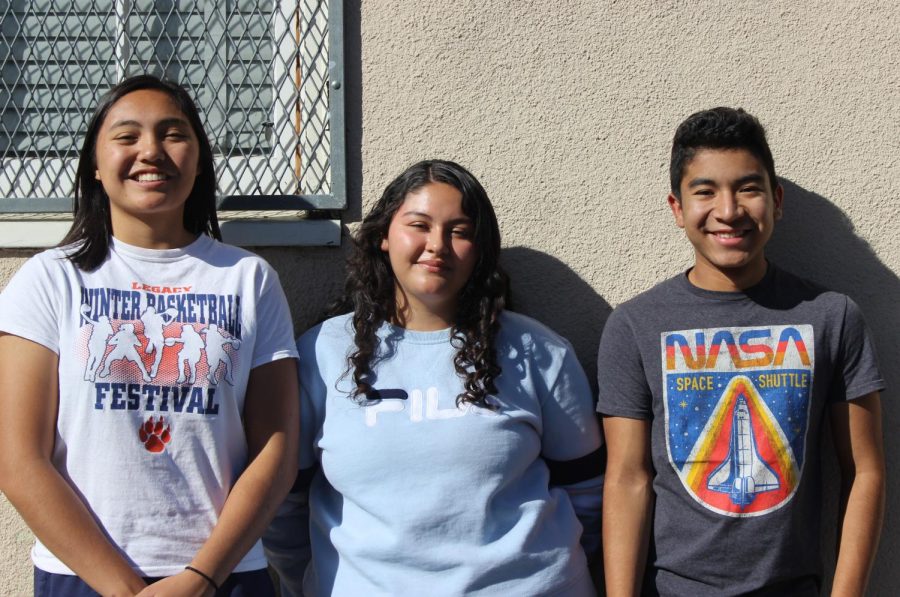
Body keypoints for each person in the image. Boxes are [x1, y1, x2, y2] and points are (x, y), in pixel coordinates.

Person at [0, 74, 299, 596]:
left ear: (200, 158)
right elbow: (17, 455)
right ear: (95, 164)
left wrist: (201, 578)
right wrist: (120, 589)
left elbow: (275, 447)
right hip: (82, 574)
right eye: (126, 136)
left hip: (224, 575)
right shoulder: (51, 279)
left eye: (172, 133)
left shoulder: (248, 279)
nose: (151, 151)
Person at [264, 159, 604, 596]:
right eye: (419, 225)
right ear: (384, 236)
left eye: (459, 231)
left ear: (480, 249)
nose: (437, 245)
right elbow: (283, 503)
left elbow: (590, 494)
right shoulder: (322, 353)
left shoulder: (537, 351)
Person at [597, 108, 885, 596]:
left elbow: (864, 469)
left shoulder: (832, 317)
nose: (728, 210)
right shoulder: (634, 325)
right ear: (676, 207)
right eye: (705, 191)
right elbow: (627, 479)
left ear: (776, 200)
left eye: (748, 188)